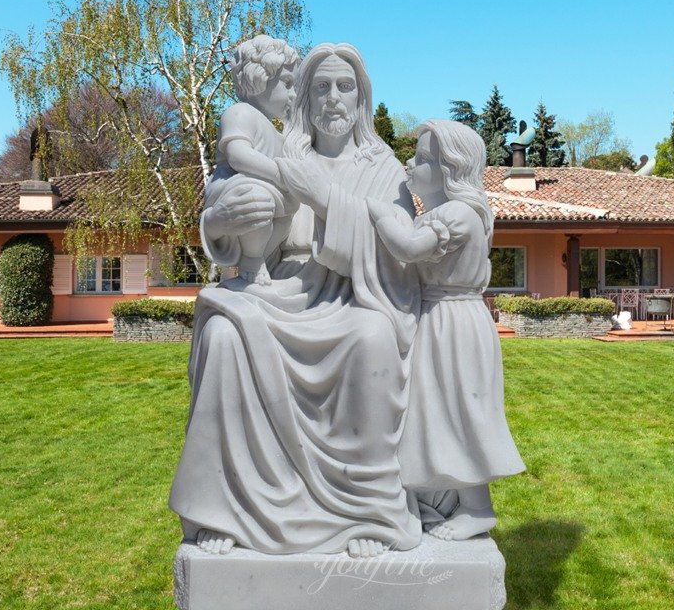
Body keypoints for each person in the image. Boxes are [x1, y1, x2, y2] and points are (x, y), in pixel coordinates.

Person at [170, 42, 422, 559]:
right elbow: (227, 211)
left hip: (355, 294)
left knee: (372, 339)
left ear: (362, 99)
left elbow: (400, 257)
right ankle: (228, 505)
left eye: (344, 87)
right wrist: (219, 222)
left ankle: (367, 507)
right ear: (303, 96)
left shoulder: (385, 168)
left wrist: (326, 198)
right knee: (223, 334)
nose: (333, 99)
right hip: (280, 286)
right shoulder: (280, 152)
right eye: (320, 87)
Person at [367, 119, 525, 541]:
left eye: (419, 159)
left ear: (449, 169)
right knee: (430, 410)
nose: (409, 163)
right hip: (437, 318)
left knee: (460, 411)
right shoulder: (440, 212)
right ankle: (439, 498)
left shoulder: (458, 213)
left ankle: (477, 508)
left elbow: (410, 248)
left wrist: (381, 214)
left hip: (455, 322)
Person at [211, 35, 300, 287]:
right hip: (235, 187)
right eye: (287, 83)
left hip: (269, 190)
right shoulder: (240, 113)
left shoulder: (278, 132)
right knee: (256, 199)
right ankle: (251, 260)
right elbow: (238, 155)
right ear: (259, 78)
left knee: (287, 207)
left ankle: (259, 256)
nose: (293, 94)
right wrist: (279, 173)